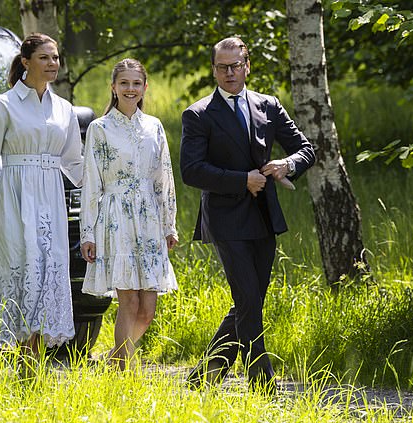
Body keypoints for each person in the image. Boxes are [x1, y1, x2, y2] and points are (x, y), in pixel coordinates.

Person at [180, 37, 315, 392]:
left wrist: (288, 163)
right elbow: (192, 171)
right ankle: (262, 383)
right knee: (247, 297)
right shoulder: (198, 114)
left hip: (264, 215)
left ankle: (203, 376)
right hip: (225, 217)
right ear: (214, 69)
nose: (228, 72)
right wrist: (243, 180)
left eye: (235, 65)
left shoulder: (268, 105)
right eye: (221, 66)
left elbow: (306, 149)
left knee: (251, 299)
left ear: (247, 65)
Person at [0, 33, 84, 354]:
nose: (52, 64)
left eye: (55, 58)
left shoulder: (64, 109)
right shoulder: (2, 105)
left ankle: (33, 366)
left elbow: (74, 163)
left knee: (48, 270)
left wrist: (108, 184)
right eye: (44, 58)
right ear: (26, 62)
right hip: (15, 195)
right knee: (20, 266)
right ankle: (16, 360)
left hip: (51, 198)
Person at [80, 58, 179, 370]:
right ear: (113, 87)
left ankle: (113, 360)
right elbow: (92, 184)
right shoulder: (100, 129)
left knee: (147, 309)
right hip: (116, 218)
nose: (130, 89)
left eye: (136, 83)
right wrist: (88, 232)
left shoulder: (154, 127)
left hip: (149, 219)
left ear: (144, 87)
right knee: (130, 302)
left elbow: (164, 178)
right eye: (124, 83)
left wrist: (169, 225)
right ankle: (124, 374)